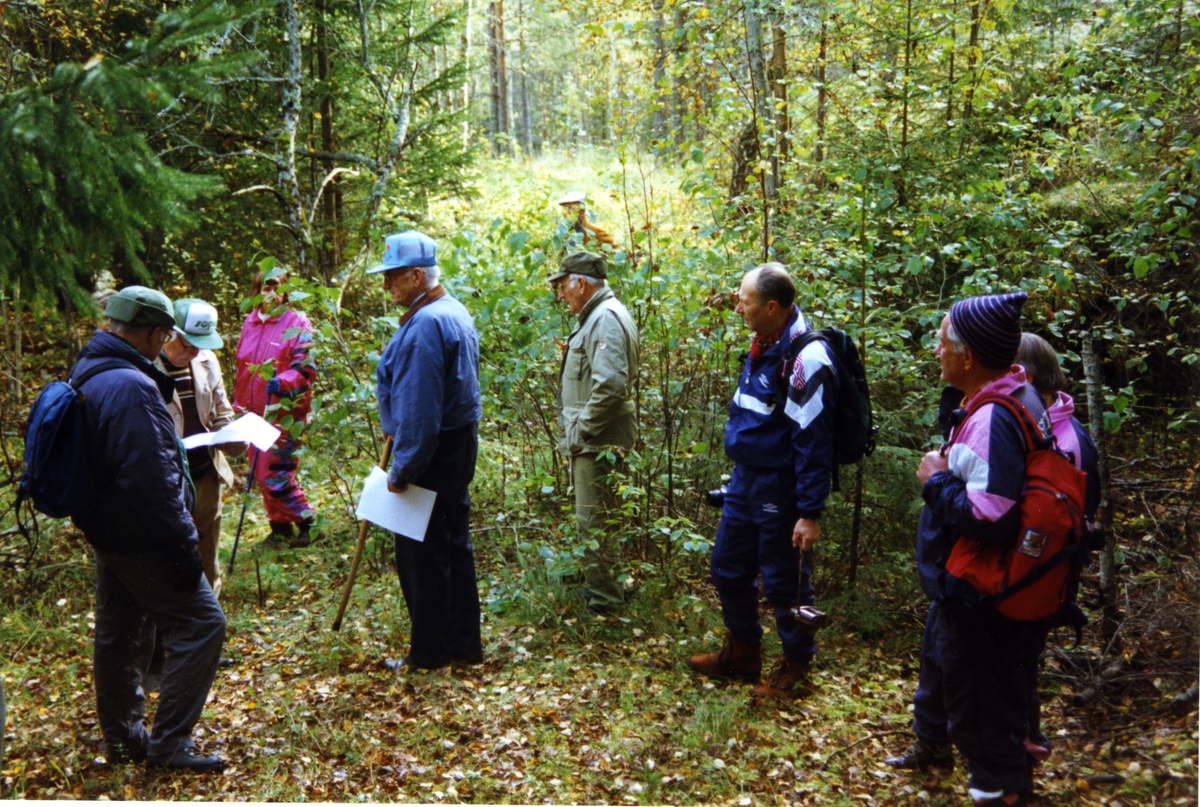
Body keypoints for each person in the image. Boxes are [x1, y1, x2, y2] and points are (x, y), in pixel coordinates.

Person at [884, 292, 1048, 807]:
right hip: (986, 593)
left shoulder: (993, 418)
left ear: (969, 356)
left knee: (980, 721)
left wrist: (936, 480)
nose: (936, 352)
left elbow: (991, 516)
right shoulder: (1014, 397)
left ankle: (1001, 792)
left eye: (941, 342)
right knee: (988, 710)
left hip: (982, 601)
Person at [71, 286, 226, 771]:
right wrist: (183, 547)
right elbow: (153, 481)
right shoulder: (133, 387)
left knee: (119, 633)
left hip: (108, 530)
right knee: (203, 623)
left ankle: (123, 740)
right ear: (157, 333)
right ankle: (170, 746)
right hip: (141, 536)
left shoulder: (89, 370)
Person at [686, 263, 838, 700]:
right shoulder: (764, 343)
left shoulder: (807, 358)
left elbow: (814, 443)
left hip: (781, 485)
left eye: (745, 301)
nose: (737, 307)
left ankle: (796, 670)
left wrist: (809, 512)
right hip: (745, 479)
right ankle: (743, 652)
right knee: (728, 566)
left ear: (772, 307)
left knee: (784, 581)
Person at [370, 230, 484, 671]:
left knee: (423, 554)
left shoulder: (426, 325)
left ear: (417, 276)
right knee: (452, 544)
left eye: (393, 278)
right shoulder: (451, 311)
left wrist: (403, 470)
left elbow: (419, 409)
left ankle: (430, 655)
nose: (387, 287)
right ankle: (462, 645)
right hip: (456, 447)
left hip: (432, 453)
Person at [1011, 332, 1101, 772]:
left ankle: (1025, 746)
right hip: (1037, 568)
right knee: (1020, 660)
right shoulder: (1043, 421)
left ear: (1025, 376)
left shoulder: (1067, 437)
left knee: (1021, 660)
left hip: (1043, 572)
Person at [548, 250, 640, 613]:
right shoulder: (599, 315)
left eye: (562, 287)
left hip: (598, 441)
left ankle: (605, 604)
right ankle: (605, 590)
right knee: (600, 520)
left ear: (580, 283)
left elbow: (611, 385)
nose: (560, 295)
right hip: (596, 439)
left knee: (595, 522)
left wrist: (581, 432)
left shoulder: (604, 318)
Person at [156, 299, 247, 596]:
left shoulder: (206, 361)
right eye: (187, 345)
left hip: (205, 477)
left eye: (199, 345)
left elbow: (221, 412)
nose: (193, 353)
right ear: (169, 333)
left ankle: (208, 634)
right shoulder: (144, 367)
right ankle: (170, 635)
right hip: (165, 483)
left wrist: (233, 434)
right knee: (168, 562)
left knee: (207, 563)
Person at [234, 269, 318, 546]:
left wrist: (283, 382)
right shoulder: (251, 321)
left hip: (284, 409)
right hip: (252, 409)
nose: (268, 294)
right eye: (263, 288)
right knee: (259, 469)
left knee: (276, 471)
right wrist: (239, 404)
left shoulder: (297, 323)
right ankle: (280, 527)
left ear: (285, 290)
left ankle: (309, 524)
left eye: (274, 288)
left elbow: (305, 367)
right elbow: (242, 367)